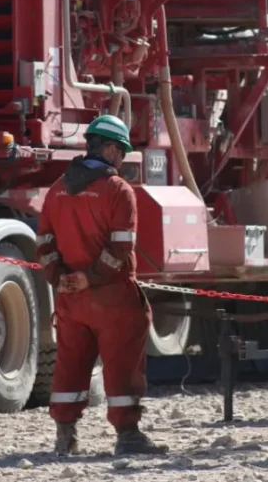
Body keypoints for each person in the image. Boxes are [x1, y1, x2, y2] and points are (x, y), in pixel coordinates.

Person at [36, 114, 167, 456]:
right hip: (112, 299)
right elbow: (121, 248)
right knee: (122, 364)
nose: (121, 160)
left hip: (70, 300)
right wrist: (90, 277)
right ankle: (128, 436)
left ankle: (65, 436)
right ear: (110, 149)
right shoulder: (118, 190)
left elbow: (45, 243)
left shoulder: (57, 189)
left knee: (70, 365)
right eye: (121, 152)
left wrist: (60, 277)